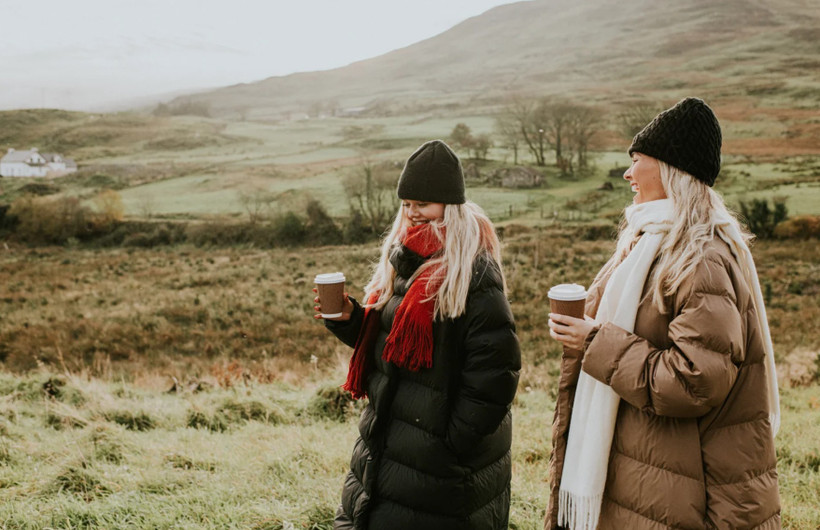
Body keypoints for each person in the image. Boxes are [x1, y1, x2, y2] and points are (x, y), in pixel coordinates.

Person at [544, 98, 781, 529]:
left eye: (636, 161)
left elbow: (695, 380)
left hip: (690, 490)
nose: (627, 173)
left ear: (670, 168)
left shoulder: (700, 257)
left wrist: (594, 342)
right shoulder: (648, 241)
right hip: (655, 472)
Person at [313, 139, 521, 530]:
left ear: (450, 205)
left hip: (440, 471)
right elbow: (393, 344)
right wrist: (351, 318)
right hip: (388, 449)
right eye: (407, 204)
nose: (412, 214)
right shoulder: (404, 259)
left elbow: (496, 375)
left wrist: (448, 444)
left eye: (422, 204)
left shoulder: (472, 273)